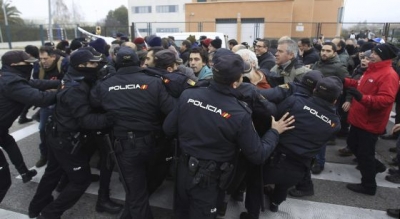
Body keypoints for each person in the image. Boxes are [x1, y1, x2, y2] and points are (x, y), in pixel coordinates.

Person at [163, 53, 295, 219]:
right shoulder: (240, 113)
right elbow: (257, 154)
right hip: (209, 179)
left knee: (181, 212)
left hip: (182, 170)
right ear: (237, 81)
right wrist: (275, 132)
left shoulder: (189, 95)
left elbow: (168, 129)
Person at [90, 46, 176, 219]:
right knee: (139, 189)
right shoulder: (153, 81)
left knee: (136, 192)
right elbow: (172, 109)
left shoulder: (105, 83)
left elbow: (94, 102)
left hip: (125, 146)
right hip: (152, 143)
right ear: (140, 61)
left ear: (116, 62)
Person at [241, 76, 341, 219]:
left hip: (273, 160)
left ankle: (252, 214)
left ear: (314, 90)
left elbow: (275, 116)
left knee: (255, 182)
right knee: (283, 185)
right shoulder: (335, 123)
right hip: (299, 168)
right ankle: (275, 203)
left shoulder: (295, 101)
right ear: (335, 100)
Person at [28, 50, 111, 219]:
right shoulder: (76, 88)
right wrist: (113, 116)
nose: (97, 66)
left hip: (57, 133)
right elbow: (86, 120)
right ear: (82, 66)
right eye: (93, 63)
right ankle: (49, 213)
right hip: (65, 139)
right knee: (81, 181)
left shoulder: (75, 77)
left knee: (53, 173)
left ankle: (36, 207)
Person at [0, 50, 58, 203]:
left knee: (8, 141)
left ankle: (24, 172)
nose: (32, 65)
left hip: (1, 129)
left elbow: (35, 84)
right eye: (27, 63)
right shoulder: (11, 82)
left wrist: (61, 82)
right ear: (14, 64)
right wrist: (64, 92)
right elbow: (40, 99)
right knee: (3, 181)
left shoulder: (9, 77)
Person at [344, 43, 400, 196]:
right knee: (352, 145)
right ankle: (376, 166)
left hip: (370, 122)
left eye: (375, 53)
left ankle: (368, 186)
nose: (371, 56)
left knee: (365, 154)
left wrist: (363, 98)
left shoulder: (389, 74)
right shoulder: (372, 70)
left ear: (384, 56)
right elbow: (361, 84)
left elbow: (386, 100)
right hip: (359, 118)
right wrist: (346, 81)